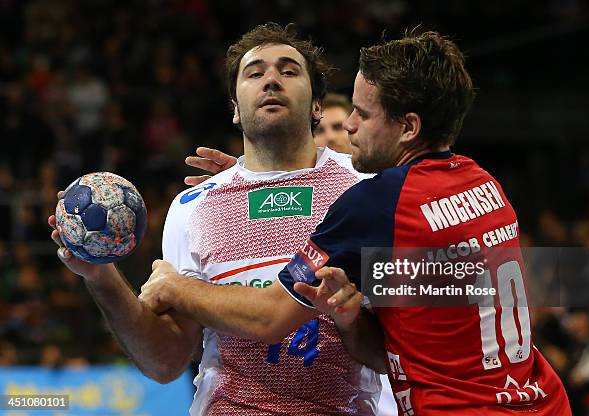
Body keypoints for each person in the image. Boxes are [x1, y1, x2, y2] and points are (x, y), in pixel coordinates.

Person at [138, 30, 572, 415]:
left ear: (408, 127)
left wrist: (176, 287)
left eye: (362, 114)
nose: (347, 125)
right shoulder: (483, 185)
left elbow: (271, 318)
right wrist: (250, 180)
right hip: (539, 398)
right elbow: (403, 338)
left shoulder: (371, 202)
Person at [49, 23, 384, 415]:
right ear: (236, 110)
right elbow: (164, 361)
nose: (271, 80)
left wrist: (178, 289)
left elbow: (398, 351)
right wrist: (102, 277)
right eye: (255, 73)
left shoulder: (367, 190)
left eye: (289, 71)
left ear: (316, 106)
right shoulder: (194, 206)